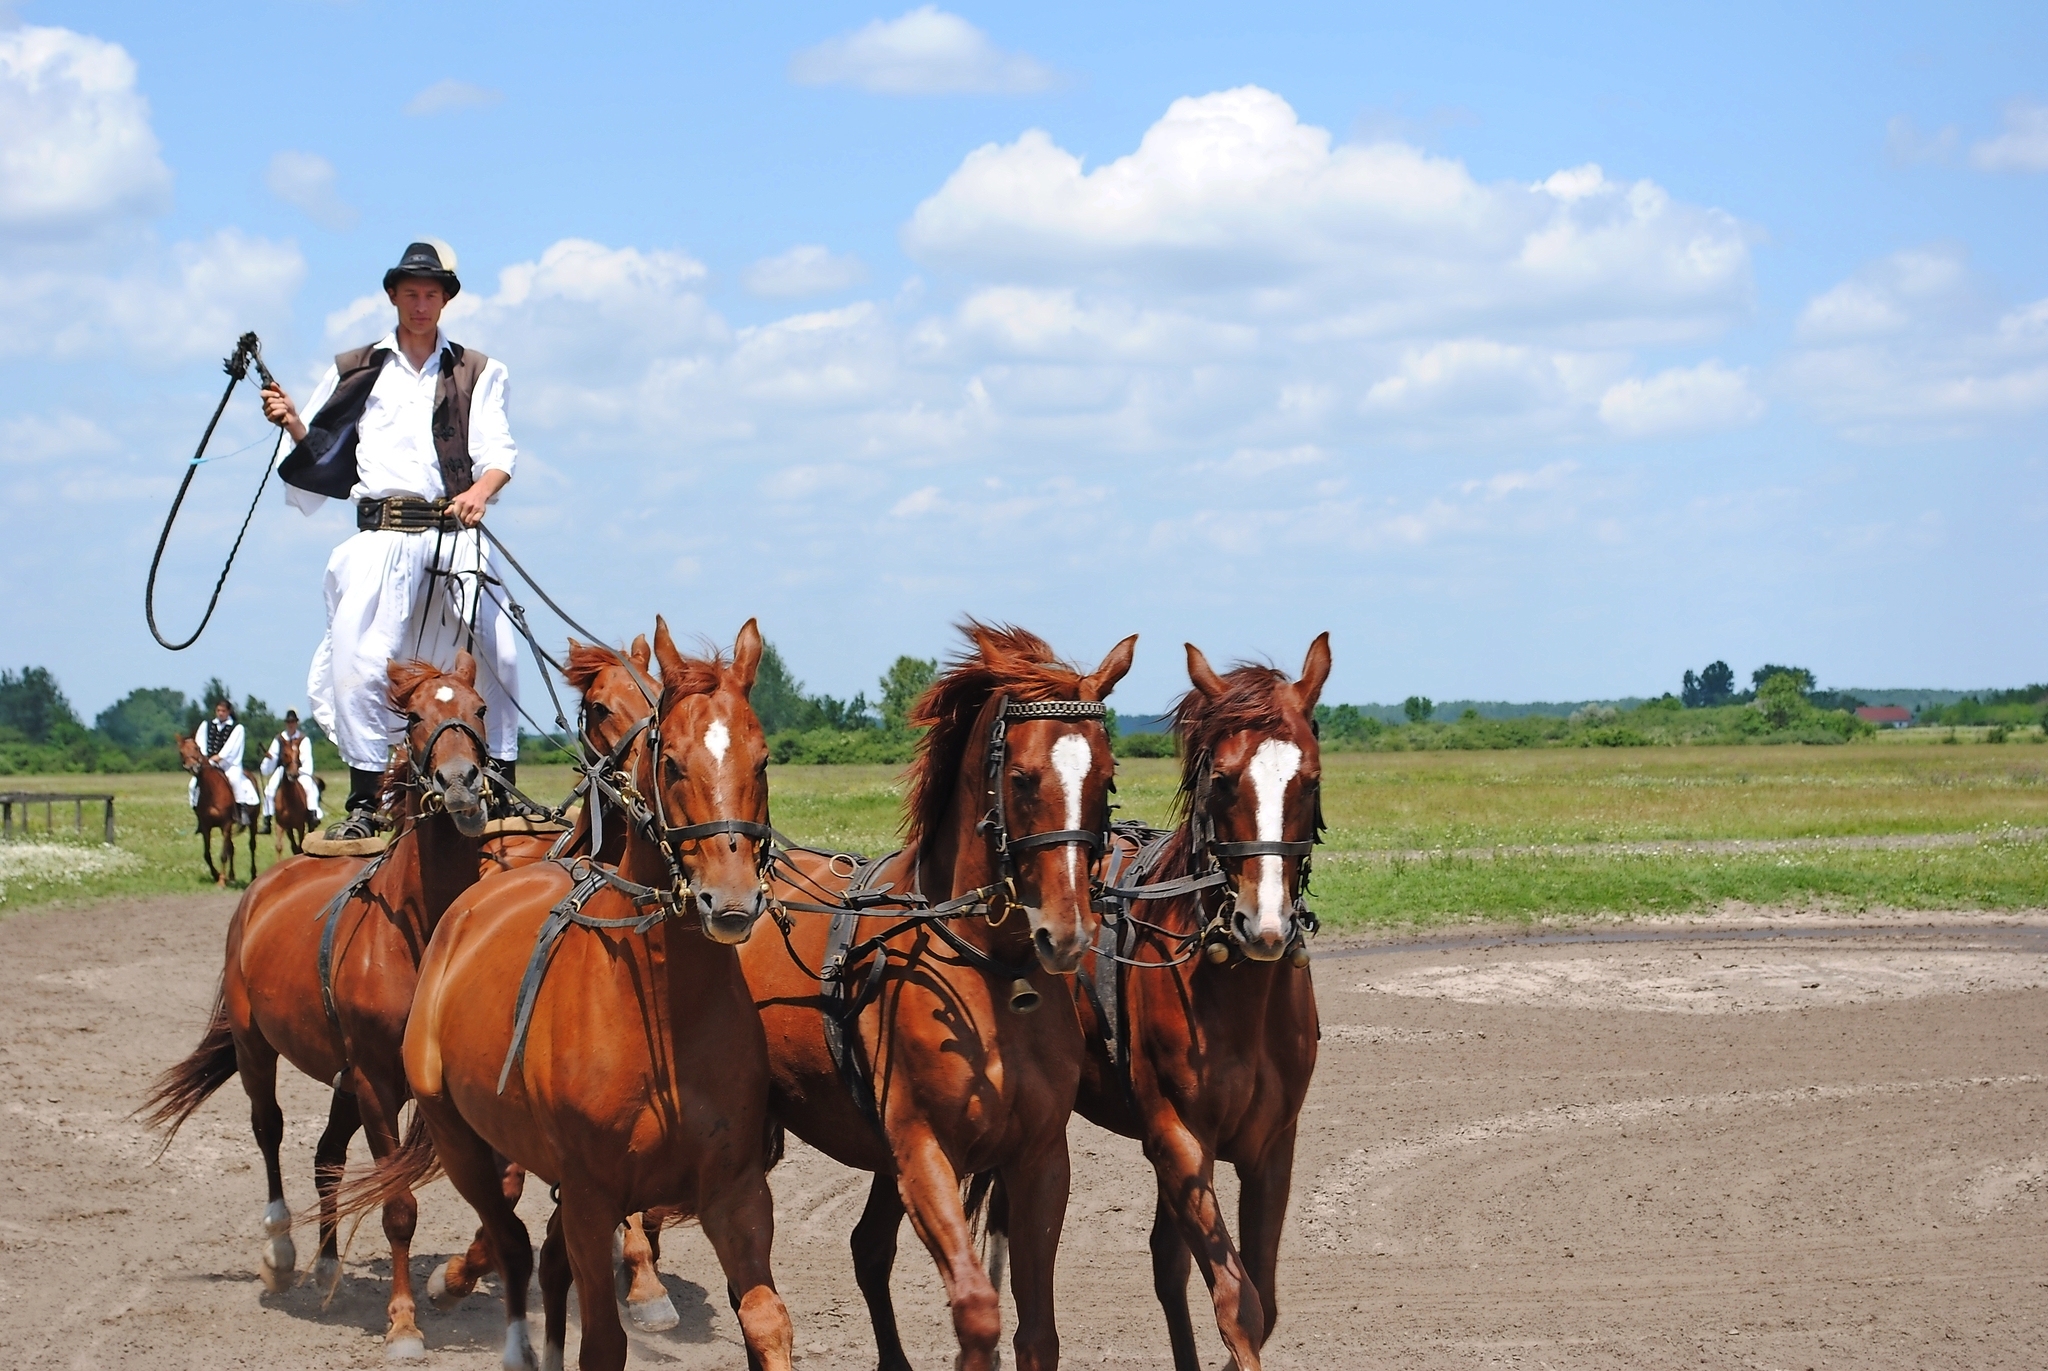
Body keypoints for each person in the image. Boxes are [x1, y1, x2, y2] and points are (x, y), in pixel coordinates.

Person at [260, 240, 522, 843]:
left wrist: (481, 490)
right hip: (379, 537)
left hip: (454, 533)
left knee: (502, 651)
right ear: (394, 296)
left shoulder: (479, 370)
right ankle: (367, 795)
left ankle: (502, 778)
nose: (421, 303)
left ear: (446, 299)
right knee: (357, 661)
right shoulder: (357, 366)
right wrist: (293, 422)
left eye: (432, 293)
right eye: (411, 293)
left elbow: (499, 452)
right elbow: (328, 452)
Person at [190, 698, 260, 831]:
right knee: (193, 784)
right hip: (209, 763)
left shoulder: (237, 728)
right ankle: (199, 816)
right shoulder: (206, 725)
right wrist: (205, 758)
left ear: (228, 712)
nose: (220, 713)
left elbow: (231, 747)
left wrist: (220, 757)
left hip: (229, 764)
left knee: (234, 780)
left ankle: (241, 811)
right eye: (218, 710)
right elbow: (200, 742)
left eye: (223, 711)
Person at [258, 709, 323, 833]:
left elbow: (306, 759)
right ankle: (267, 820)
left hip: (300, 770)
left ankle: (312, 814)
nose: (290, 724)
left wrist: (302, 771)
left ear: (296, 723)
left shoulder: (303, 739)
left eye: (292, 721)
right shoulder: (279, 739)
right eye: (288, 722)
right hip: (283, 769)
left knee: (309, 788)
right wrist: (267, 763)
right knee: (269, 790)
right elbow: (273, 756)